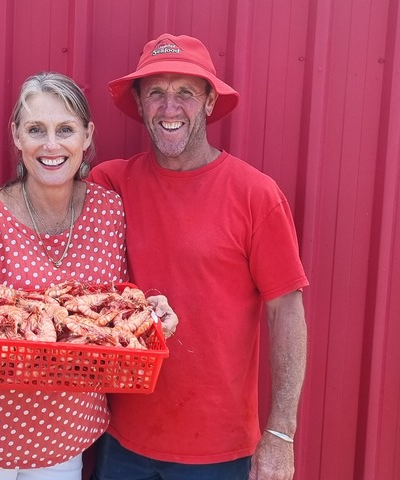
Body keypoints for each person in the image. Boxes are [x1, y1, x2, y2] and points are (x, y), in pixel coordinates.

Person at [0, 72, 176, 480]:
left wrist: (151, 317)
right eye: (36, 130)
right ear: (17, 136)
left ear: (87, 136)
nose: (52, 145)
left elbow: (114, 309)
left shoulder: (109, 211)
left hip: (63, 439)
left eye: (65, 130)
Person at [89, 34, 309, 480]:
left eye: (186, 92)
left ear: (209, 102)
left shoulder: (256, 195)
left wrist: (281, 433)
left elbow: (286, 311)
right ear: (140, 103)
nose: (169, 107)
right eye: (156, 92)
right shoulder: (110, 184)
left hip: (219, 451)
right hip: (121, 438)